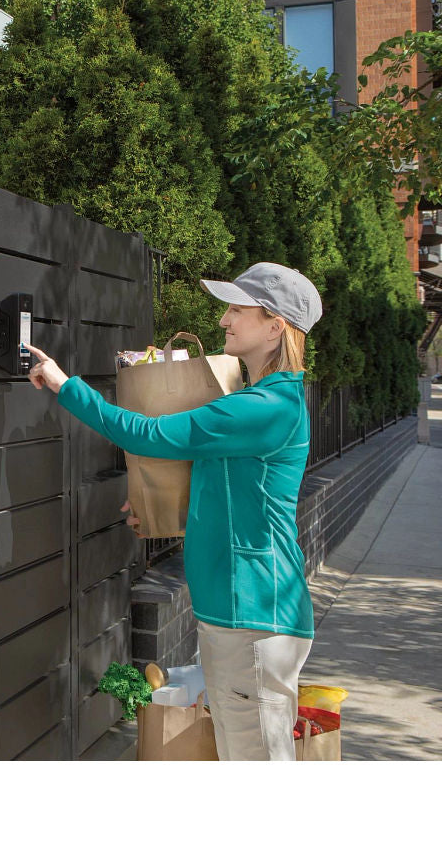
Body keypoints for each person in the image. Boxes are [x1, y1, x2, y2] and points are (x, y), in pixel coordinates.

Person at [25, 261, 322, 761]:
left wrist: (63, 384)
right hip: (241, 612)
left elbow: (150, 435)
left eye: (236, 310)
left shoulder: (265, 407)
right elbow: (235, 492)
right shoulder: (259, 402)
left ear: (275, 327)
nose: (224, 321)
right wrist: (162, 508)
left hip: (253, 613)